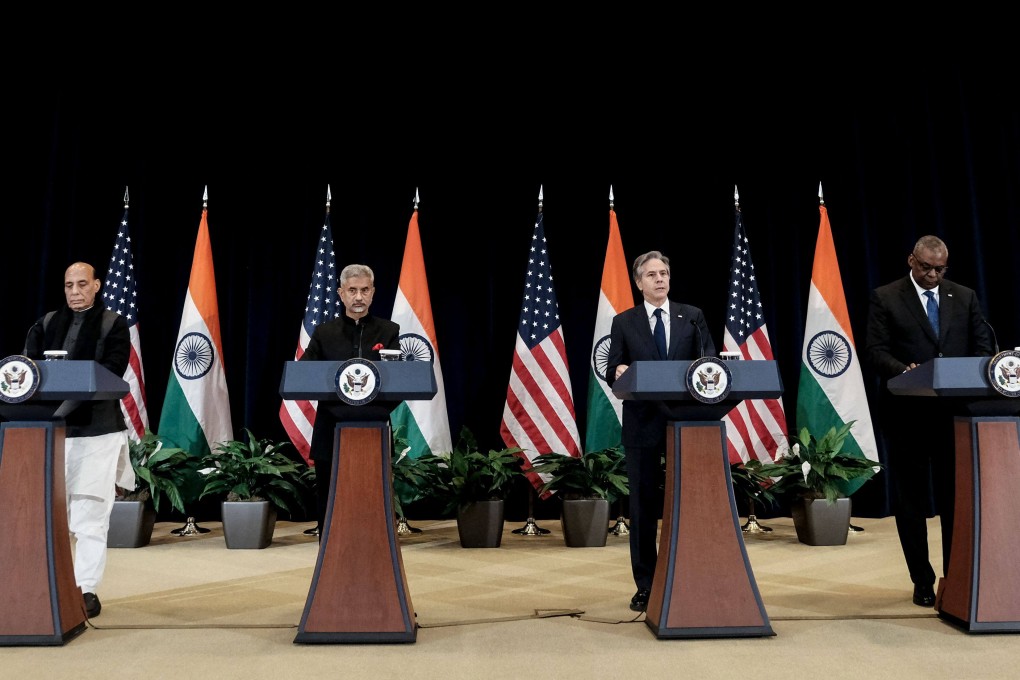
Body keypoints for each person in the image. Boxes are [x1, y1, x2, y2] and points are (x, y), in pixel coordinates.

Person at [864, 235, 994, 608]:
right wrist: (905, 371)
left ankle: (955, 577)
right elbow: (874, 351)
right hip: (907, 415)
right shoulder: (886, 297)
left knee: (957, 499)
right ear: (911, 260)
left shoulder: (964, 296)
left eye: (940, 268)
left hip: (956, 415)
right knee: (912, 502)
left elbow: (982, 347)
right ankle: (921, 580)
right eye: (926, 267)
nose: (933, 274)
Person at [605, 250, 716, 612]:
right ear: (639, 282)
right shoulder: (624, 322)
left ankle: (691, 575)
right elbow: (612, 368)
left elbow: (709, 363)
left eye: (664, 272)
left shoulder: (692, 317)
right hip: (643, 423)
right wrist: (618, 371)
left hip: (687, 421)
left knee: (691, 502)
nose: (659, 279)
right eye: (651, 274)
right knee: (642, 506)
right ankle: (646, 584)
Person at [23, 262, 133, 619]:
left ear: (97, 285)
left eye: (82, 284)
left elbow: (113, 371)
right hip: (50, 431)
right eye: (68, 284)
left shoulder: (113, 324)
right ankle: (48, 585)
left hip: (96, 432)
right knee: (48, 515)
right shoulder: (47, 323)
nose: (74, 291)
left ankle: (86, 588)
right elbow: (28, 370)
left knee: (89, 516)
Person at [300, 263, 400, 535]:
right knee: (330, 500)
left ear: (373, 292)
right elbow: (305, 374)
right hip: (330, 428)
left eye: (364, 290)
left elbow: (398, 381)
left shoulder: (389, 331)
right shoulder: (324, 333)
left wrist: (369, 409)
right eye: (352, 290)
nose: (358, 297)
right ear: (341, 293)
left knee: (371, 500)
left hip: (373, 427)